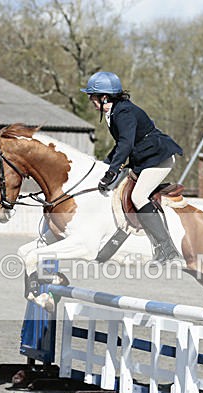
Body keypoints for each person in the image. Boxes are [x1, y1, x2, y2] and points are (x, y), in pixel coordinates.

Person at [81, 71, 184, 263]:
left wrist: (112, 171)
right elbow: (120, 144)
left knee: (138, 196)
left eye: (93, 98)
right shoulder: (114, 112)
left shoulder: (124, 112)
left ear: (104, 97)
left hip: (159, 158)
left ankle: (167, 248)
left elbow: (126, 144)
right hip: (144, 158)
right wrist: (104, 165)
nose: (91, 102)